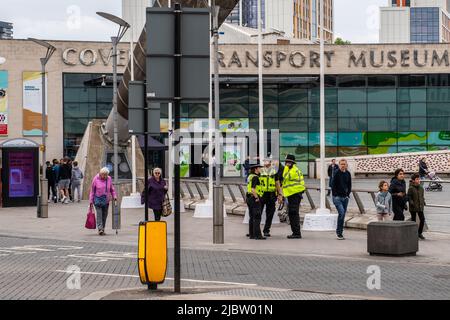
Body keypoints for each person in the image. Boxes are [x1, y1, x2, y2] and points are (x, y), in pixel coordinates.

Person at [279, 155, 305, 239]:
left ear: (292, 163)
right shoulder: (290, 169)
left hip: (295, 194)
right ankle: (295, 232)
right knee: (292, 213)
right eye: (286, 162)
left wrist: (285, 168)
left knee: (293, 213)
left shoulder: (293, 170)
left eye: (289, 162)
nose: (287, 163)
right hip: (291, 194)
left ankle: (297, 233)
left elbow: (285, 177)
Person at [89, 167, 117, 235]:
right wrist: (91, 201)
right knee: (99, 215)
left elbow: (112, 189)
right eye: (103, 174)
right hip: (97, 200)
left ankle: (103, 228)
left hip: (106, 201)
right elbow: (92, 191)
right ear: (100, 173)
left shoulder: (109, 179)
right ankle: (100, 229)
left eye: (106, 175)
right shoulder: (95, 179)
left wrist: (114, 196)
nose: (104, 176)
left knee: (105, 215)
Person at [260, 158, 281, 237]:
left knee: (270, 214)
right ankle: (255, 229)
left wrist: (280, 194)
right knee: (258, 213)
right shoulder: (260, 171)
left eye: (266, 161)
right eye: (264, 161)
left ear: (270, 162)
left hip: (271, 195)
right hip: (262, 194)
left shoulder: (274, 172)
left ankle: (266, 230)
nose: (265, 162)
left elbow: (277, 183)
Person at [332, 159, 352, 240]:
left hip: (345, 198)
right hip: (337, 198)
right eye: (341, 164)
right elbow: (332, 184)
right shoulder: (336, 172)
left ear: (346, 165)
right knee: (341, 213)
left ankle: (340, 232)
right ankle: (339, 233)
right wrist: (335, 195)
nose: (343, 165)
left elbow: (349, 185)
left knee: (343, 215)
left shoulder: (348, 173)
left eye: (344, 164)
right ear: (339, 165)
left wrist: (348, 194)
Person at [246, 163, 265, 240]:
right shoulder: (255, 177)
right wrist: (257, 198)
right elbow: (253, 189)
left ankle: (252, 234)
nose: (261, 169)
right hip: (254, 198)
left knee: (252, 217)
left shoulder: (250, 176)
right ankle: (258, 235)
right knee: (257, 217)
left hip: (249, 198)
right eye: (259, 168)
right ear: (256, 169)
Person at [408, 173, 426, 240]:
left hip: (420, 206)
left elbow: (422, 196)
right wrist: (411, 202)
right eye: (417, 179)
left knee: (422, 219)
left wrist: (423, 201)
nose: (418, 180)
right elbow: (409, 197)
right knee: (413, 220)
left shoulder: (421, 188)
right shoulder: (411, 188)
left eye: (419, 179)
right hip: (413, 207)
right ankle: (413, 233)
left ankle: (419, 233)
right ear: (413, 180)